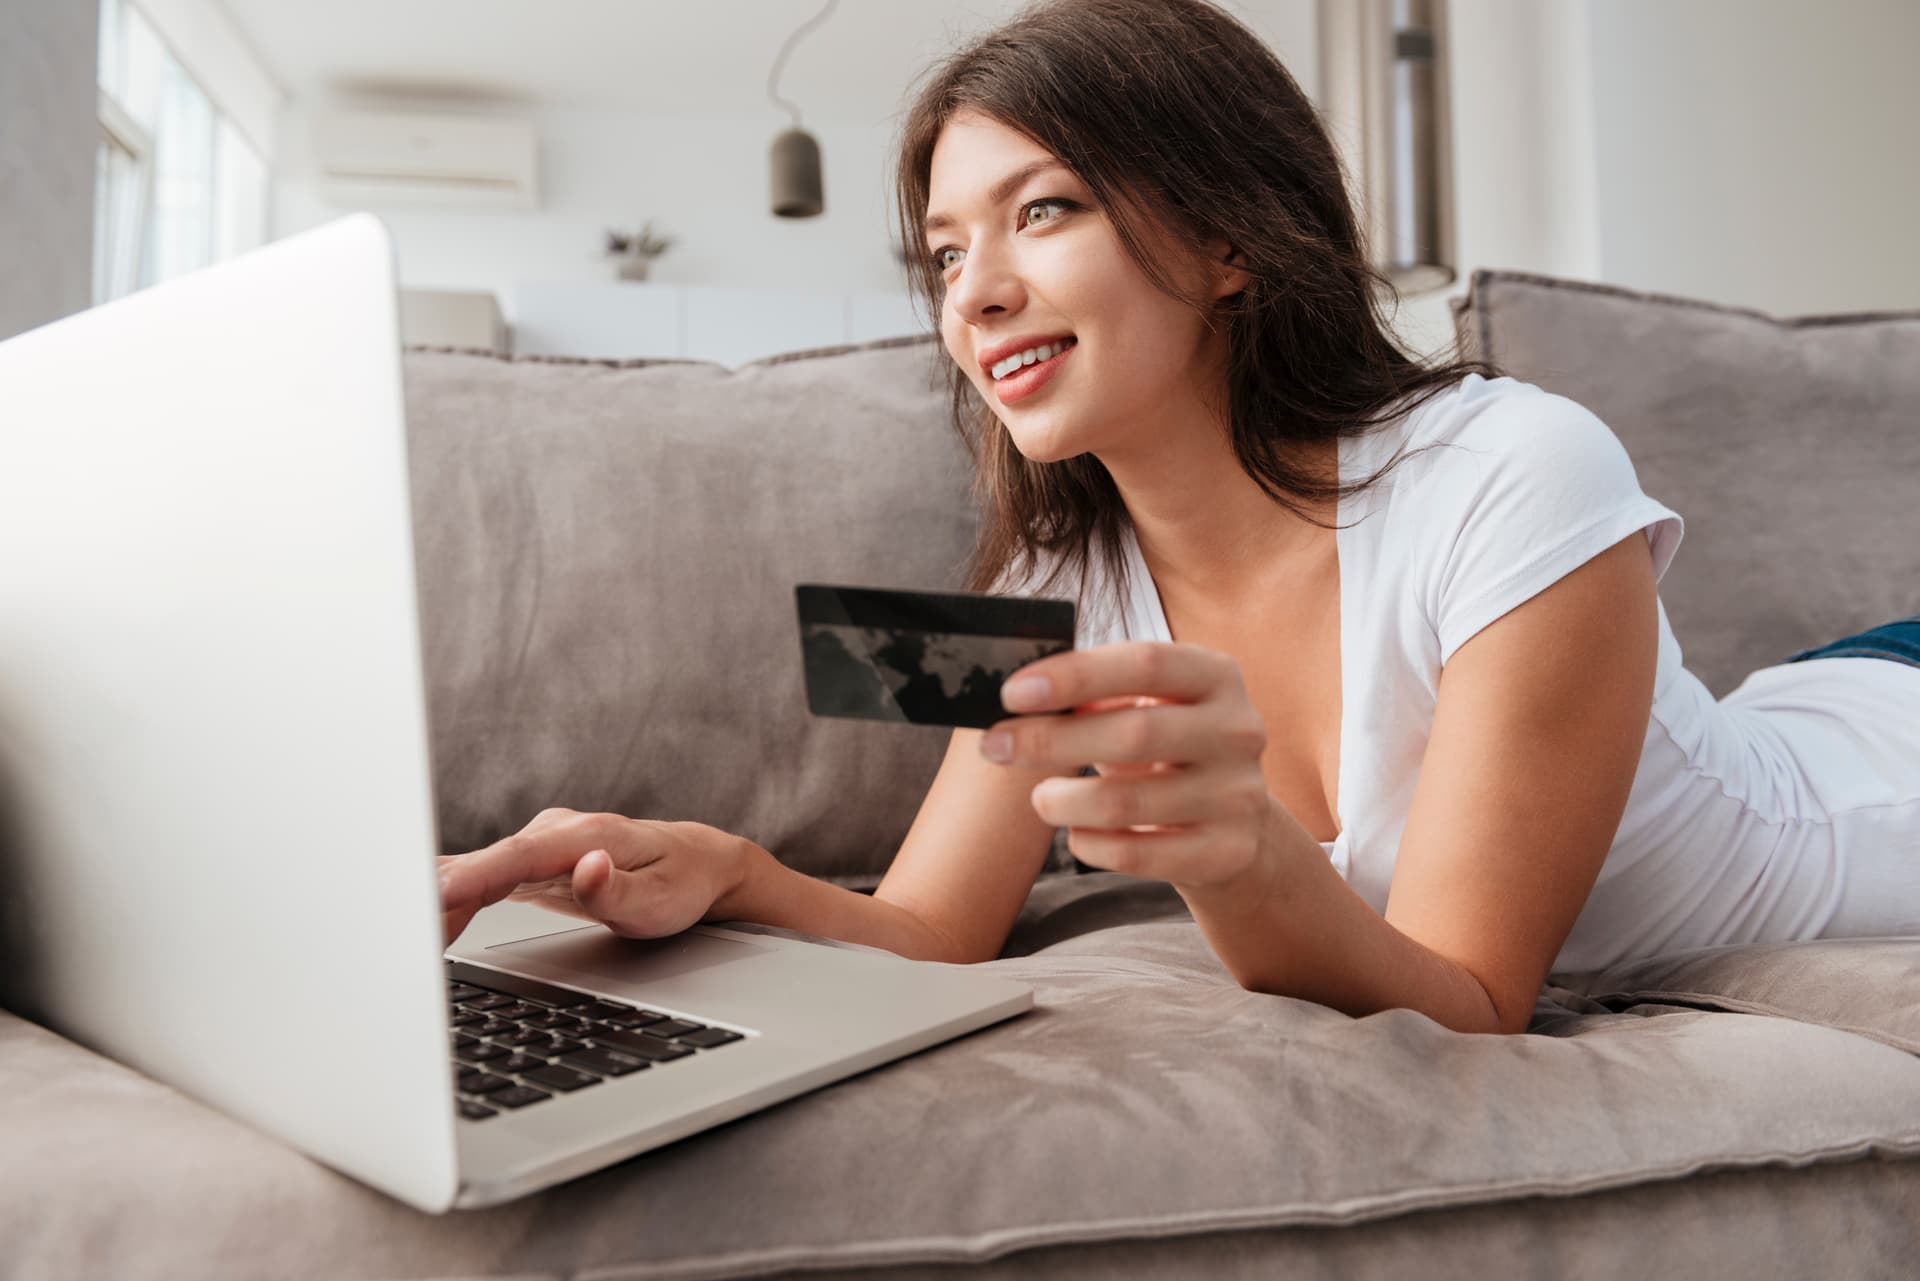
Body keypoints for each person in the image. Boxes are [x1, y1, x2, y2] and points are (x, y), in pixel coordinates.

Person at [438, 0, 1920, 1034]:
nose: (975, 294)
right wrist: (731, 874)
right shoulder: (1061, 582)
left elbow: (1470, 1003)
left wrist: (1238, 854)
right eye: (944, 252)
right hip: (1800, 702)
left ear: (1227, 239)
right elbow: (933, 930)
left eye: (1044, 209)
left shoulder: (1514, 473)